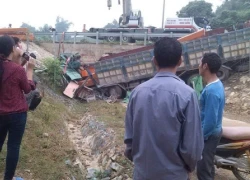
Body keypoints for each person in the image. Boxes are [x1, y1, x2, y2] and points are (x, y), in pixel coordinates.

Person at [124, 37, 204, 180]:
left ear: (154, 60)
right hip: (174, 175)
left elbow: (130, 141)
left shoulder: (137, 92)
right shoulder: (187, 94)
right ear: (180, 61)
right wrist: (189, 167)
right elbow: (192, 147)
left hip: (142, 174)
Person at [0, 35, 36, 180]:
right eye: (16, 46)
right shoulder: (17, 70)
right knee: (13, 147)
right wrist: (30, 70)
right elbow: (28, 89)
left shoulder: (11, 68)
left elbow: (9, 74)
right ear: (12, 49)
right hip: (17, 115)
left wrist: (21, 62)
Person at [197, 53, 225, 180]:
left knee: (203, 171)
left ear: (205, 66)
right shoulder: (216, 85)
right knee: (208, 167)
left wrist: (199, 139)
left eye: (199, 63)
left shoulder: (211, 91)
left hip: (209, 135)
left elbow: (210, 121)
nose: (198, 66)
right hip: (213, 133)